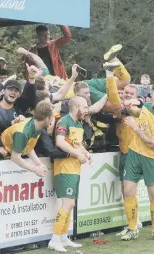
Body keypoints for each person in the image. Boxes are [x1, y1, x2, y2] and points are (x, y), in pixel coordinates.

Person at [121, 86, 154, 241]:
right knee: (128, 191)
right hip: (133, 153)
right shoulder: (148, 106)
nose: (150, 98)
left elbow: (152, 143)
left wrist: (135, 128)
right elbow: (139, 113)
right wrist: (130, 109)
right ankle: (132, 228)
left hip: (150, 158)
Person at [48, 97, 91, 252]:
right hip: (64, 168)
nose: (87, 110)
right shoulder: (64, 121)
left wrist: (85, 153)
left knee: (70, 204)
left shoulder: (78, 123)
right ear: (76, 107)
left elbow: (77, 144)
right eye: (85, 107)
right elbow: (59, 142)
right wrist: (77, 155)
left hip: (74, 168)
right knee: (67, 204)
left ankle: (63, 237)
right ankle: (54, 239)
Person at [115, 84, 143, 237]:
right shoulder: (119, 107)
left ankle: (134, 223)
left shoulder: (136, 108)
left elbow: (141, 107)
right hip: (124, 151)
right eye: (125, 92)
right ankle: (135, 221)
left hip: (133, 153)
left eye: (131, 93)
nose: (127, 94)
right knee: (126, 191)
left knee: (129, 190)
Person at [1, 101, 53, 176]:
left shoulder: (36, 125)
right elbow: (15, 157)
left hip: (13, 149)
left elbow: (28, 146)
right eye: (52, 117)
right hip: (3, 148)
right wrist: (35, 169)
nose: (52, 120)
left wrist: (38, 164)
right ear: (47, 118)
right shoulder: (22, 133)